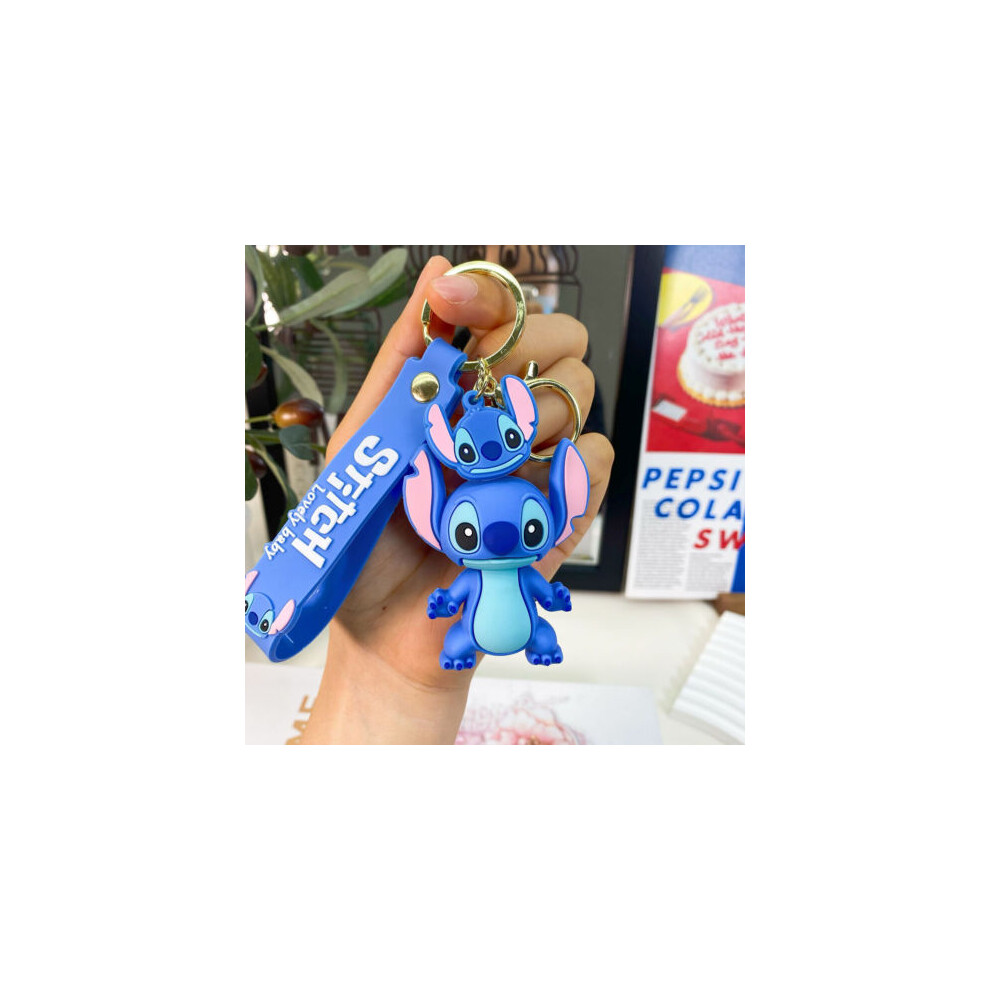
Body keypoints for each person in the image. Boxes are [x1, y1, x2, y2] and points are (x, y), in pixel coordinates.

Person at [300, 255, 614, 743]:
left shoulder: (498, 527)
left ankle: (539, 643)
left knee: (537, 631)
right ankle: (484, 646)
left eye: (532, 527)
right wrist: (446, 599)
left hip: (499, 622)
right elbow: (470, 591)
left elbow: (533, 584)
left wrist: (550, 595)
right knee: (468, 635)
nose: (501, 538)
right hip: (456, 626)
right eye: (467, 532)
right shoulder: (453, 513)